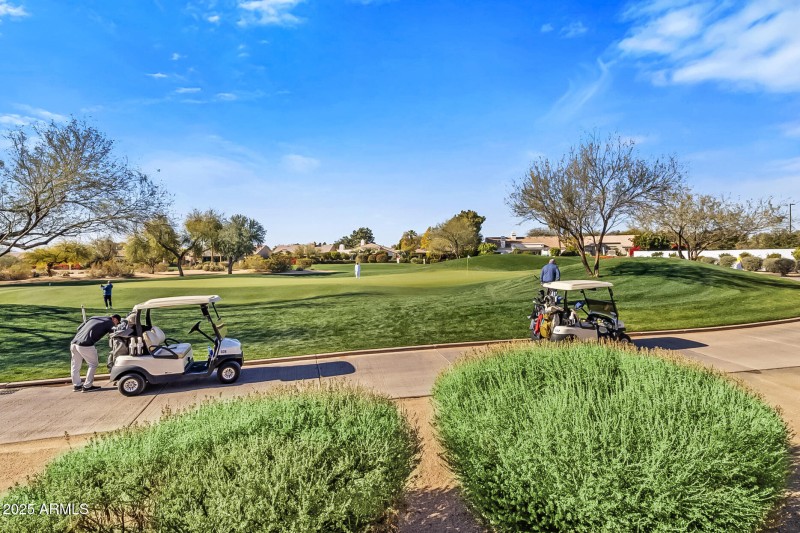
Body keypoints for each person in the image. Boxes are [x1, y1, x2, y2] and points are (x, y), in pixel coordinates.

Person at [71, 314, 120, 392]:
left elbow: (79, 328)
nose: (116, 324)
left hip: (74, 343)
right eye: (117, 322)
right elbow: (115, 334)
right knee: (93, 364)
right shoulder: (110, 322)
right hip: (85, 344)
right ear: (114, 319)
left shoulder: (94, 317)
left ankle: (77, 385)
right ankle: (87, 386)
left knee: (75, 366)